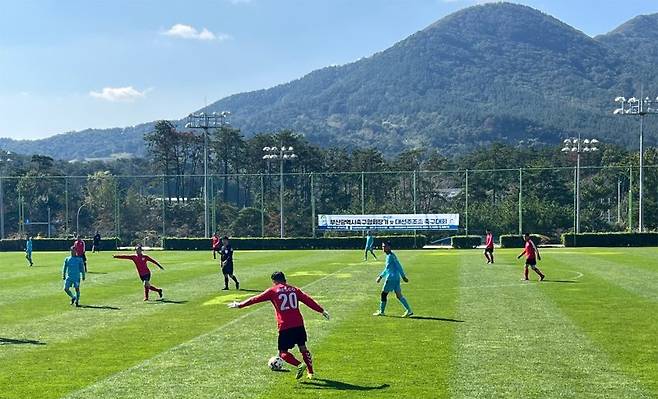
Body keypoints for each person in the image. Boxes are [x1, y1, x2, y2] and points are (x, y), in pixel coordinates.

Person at [228, 271, 330, 380]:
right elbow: (308, 300)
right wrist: (321, 310)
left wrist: (240, 305)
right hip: (299, 324)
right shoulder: (294, 289)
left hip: (285, 325)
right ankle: (311, 372)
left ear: (274, 281)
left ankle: (300, 365)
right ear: (284, 279)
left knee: (282, 353)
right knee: (303, 347)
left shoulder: (273, 291)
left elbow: (255, 299)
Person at [373, 241, 413, 317]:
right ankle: (409, 310)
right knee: (399, 296)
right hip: (396, 278)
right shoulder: (390, 256)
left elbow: (399, 266)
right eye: (382, 246)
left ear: (389, 247)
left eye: (384, 246)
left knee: (383, 294)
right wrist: (380, 276)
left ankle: (382, 311)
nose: (383, 248)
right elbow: (387, 269)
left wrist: (403, 276)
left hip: (391, 278)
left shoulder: (391, 256)